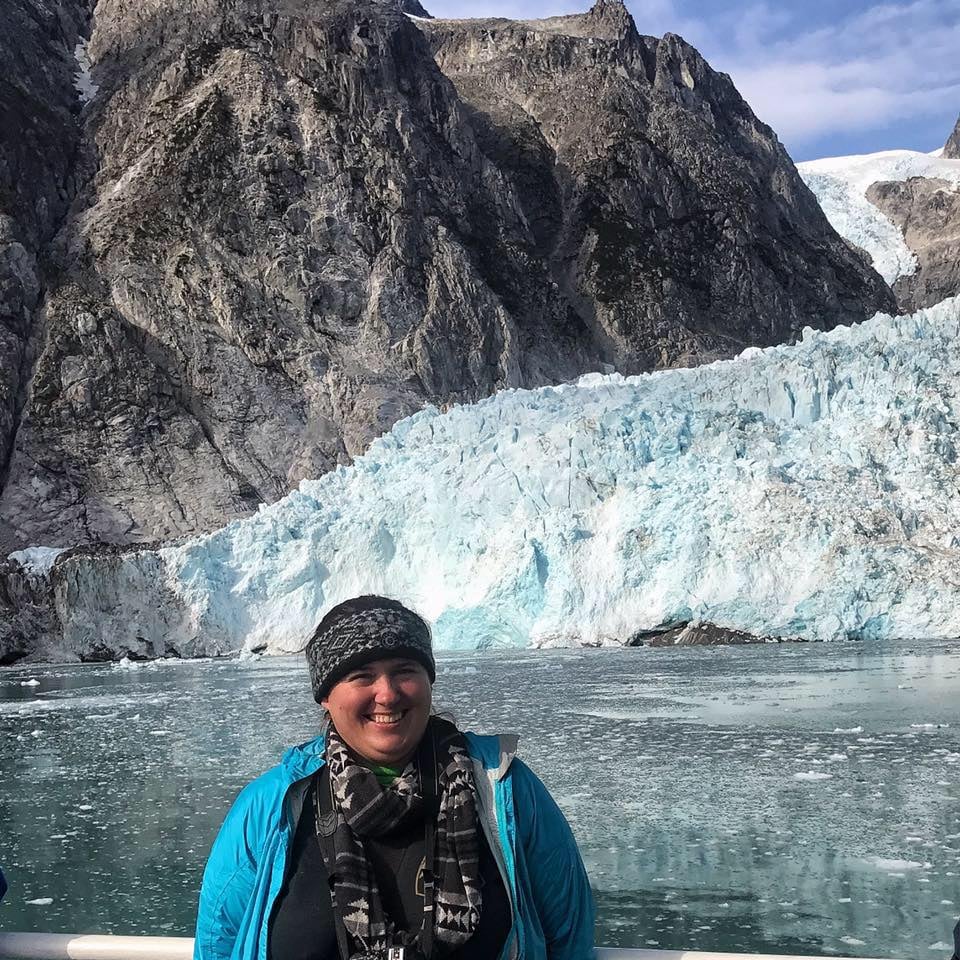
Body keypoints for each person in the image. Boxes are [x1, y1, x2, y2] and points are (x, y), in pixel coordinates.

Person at [194, 595, 595, 960]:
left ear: (428, 681)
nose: (386, 694)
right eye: (361, 675)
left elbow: (569, 936)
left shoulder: (504, 789)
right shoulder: (272, 806)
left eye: (404, 670)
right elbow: (218, 944)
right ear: (326, 694)